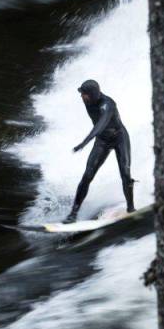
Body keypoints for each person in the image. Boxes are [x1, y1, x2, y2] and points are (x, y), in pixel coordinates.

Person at [65, 79, 134, 223]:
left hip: (119, 138)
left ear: (93, 94)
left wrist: (85, 142)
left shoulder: (108, 105)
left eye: (84, 94)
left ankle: (131, 208)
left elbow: (100, 125)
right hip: (102, 141)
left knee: (125, 173)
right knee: (87, 176)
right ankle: (73, 214)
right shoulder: (87, 101)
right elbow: (99, 129)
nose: (82, 97)